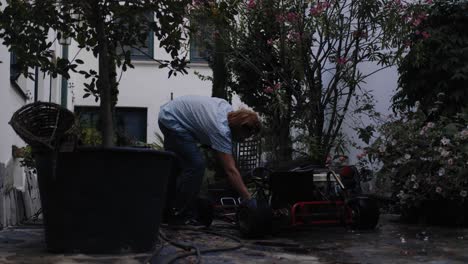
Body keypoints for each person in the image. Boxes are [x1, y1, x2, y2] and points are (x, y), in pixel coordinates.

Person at [158, 95, 261, 225]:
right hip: (172, 120)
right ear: (242, 126)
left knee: (177, 168)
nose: (245, 139)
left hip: (171, 112)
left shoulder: (227, 110)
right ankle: (181, 214)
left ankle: (164, 211)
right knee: (196, 166)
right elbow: (230, 170)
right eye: (247, 135)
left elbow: (228, 161)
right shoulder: (220, 129)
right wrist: (249, 200)